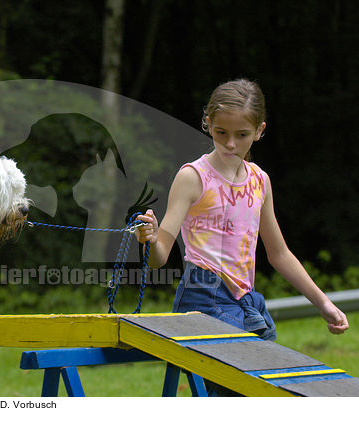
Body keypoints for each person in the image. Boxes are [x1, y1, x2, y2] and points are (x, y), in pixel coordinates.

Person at [135, 79, 348, 393]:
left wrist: (323, 303)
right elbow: (160, 255)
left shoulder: (260, 181)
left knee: (264, 394)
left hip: (247, 301)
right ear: (208, 124)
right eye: (221, 133)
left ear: (260, 130)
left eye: (242, 135)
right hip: (203, 297)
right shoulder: (193, 177)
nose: (230, 144)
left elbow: (279, 253)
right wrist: (150, 239)